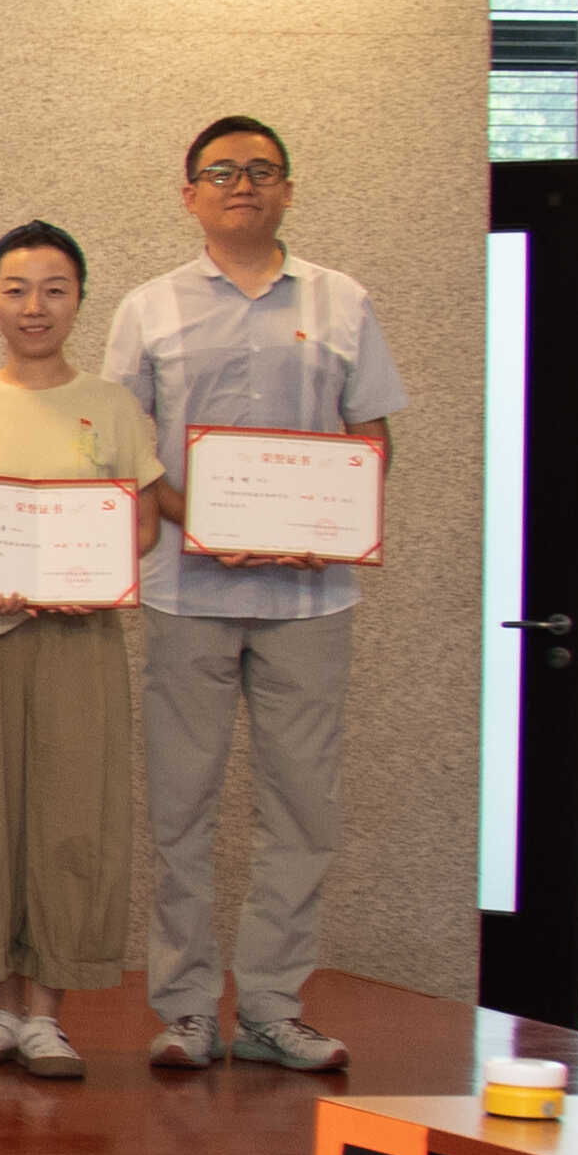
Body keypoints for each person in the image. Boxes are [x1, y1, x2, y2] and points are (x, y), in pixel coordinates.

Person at [106, 117, 404, 1074]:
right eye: (222, 171)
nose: (243, 184)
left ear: (287, 189)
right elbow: (125, 451)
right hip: (185, 590)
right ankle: (186, 1007)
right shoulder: (147, 308)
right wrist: (200, 519)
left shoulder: (342, 300)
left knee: (302, 809)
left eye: (262, 170)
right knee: (180, 806)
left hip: (310, 600)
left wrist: (327, 520)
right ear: (187, 192)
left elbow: (370, 439)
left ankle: (273, 1006)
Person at [0, 221, 162, 1081]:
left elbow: (140, 523)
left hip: (77, 636)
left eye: (54, 289)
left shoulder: (112, 405)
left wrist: (85, 576)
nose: (34, 306)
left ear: (78, 300)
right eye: (16, 289)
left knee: (71, 815)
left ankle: (47, 1015)